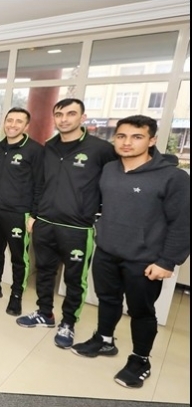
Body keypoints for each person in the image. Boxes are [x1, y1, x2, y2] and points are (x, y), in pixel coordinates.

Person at [70, 115, 189, 389]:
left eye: (137, 137)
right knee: (107, 300)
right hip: (107, 251)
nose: (127, 142)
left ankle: (140, 359)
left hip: (144, 260)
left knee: (141, 311)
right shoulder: (110, 169)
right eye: (121, 136)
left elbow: (183, 223)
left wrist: (167, 261)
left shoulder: (173, 177)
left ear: (152, 140)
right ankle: (104, 339)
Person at [16, 98, 116, 350]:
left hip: (77, 228)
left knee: (74, 279)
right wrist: (34, 214)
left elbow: (115, 183)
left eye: (71, 114)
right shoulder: (48, 147)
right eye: (59, 114)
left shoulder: (101, 149)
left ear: (83, 118)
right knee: (44, 271)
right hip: (45, 222)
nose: (64, 119)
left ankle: (68, 323)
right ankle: (44, 313)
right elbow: (40, 184)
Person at [0, 107, 44, 317]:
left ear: (26, 126)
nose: (13, 125)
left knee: (18, 257)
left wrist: (34, 215)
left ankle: (16, 295)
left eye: (18, 121)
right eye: (9, 120)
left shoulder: (35, 150)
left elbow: (40, 184)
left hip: (18, 212)